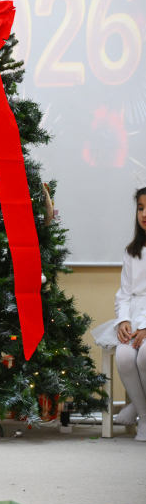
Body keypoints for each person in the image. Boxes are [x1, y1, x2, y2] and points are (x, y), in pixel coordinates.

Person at [92, 186, 146, 441]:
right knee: (124, 357)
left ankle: (138, 406)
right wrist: (124, 319)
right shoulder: (132, 251)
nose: (144, 214)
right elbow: (124, 292)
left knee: (144, 356)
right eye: (141, 208)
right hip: (134, 316)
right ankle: (143, 415)